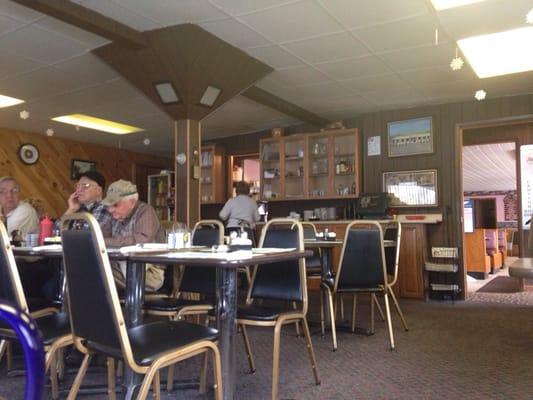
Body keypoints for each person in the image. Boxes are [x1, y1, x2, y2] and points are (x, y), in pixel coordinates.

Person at [102, 179, 165, 291]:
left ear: (131, 202)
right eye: (109, 205)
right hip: (121, 266)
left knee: (100, 268)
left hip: (148, 273)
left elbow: (141, 240)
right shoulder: (113, 215)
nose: (111, 210)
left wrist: (105, 241)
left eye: (115, 205)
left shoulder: (145, 211)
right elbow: (100, 236)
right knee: (93, 265)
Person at [63, 171, 112, 235]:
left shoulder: (104, 208)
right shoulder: (78, 208)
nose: (79, 190)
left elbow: (90, 235)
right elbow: (56, 233)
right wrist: (71, 209)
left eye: (85, 186)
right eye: (77, 186)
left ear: (99, 190)